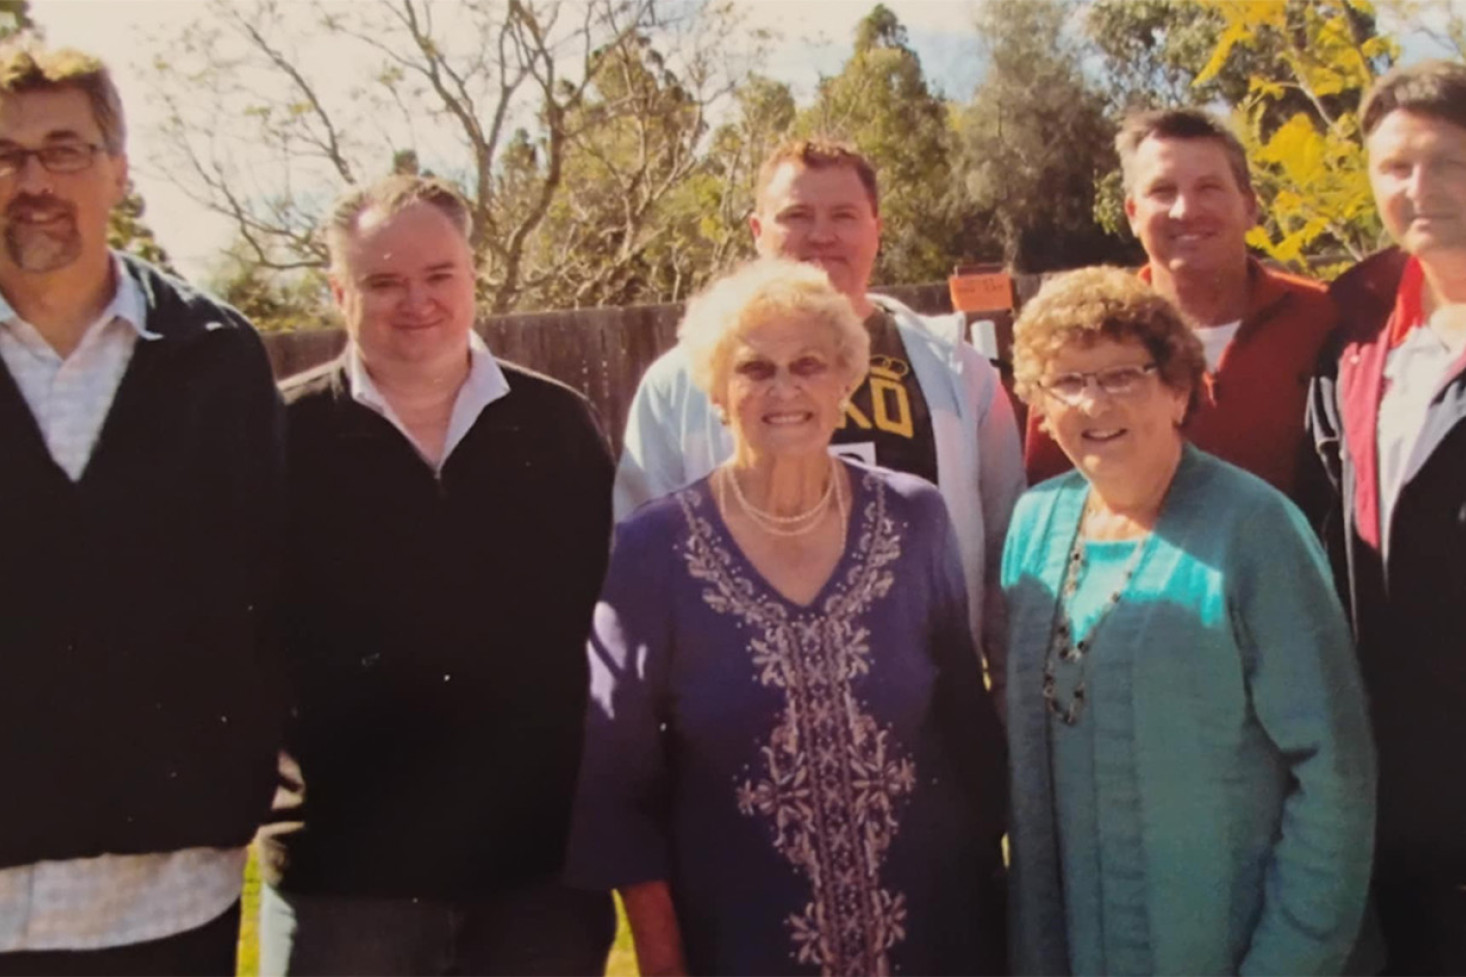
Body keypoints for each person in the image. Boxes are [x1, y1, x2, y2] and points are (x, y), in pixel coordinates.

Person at [568, 258, 1008, 976]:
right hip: (742, 941)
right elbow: (618, 781)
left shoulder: (915, 517)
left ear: (845, 381)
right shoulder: (656, 549)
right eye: (754, 369)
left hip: (933, 932)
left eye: (808, 364)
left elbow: (965, 735)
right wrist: (662, 955)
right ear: (716, 392)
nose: (784, 389)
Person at [257, 175, 615, 975]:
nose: (414, 300)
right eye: (383, 281)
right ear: (340, 291)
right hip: (345, 887)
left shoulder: (556, 427)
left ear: (472, 275)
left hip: (537, 882)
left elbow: (608, 630)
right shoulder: (277, 437)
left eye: (437, 275)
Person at [0, 38, 285, 976]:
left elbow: (268, 590)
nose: (32, 179)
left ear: (118, 171)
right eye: (5, 154)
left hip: (169, 888)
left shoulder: (214, 355)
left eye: (64, 148)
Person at [1005, 266, 1375, 975]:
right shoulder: (1033, 524)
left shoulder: (1255, 529)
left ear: (1177, 389)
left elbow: (1336, 772)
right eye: (1067, 381)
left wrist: (1289, 957)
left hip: (1231, 945)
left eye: (1121, 375)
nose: (1094, 401)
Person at [615, 138, 1024, 692]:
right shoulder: (680, 381)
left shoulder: (961, 372)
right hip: (745, 704)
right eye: (797, 215)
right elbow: (642, 567)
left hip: (919, 699)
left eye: (844, 216)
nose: (822, 234)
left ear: (877, 228)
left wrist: (1003, 701)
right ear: (758, 231)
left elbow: (1006, 549)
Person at [1308, 59, 1466, 974]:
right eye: (1395, 167)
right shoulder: (1360, 344)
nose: (1420, 189)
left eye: (1447, 161)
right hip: (1393, 782)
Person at [1024, 109, 1335, 511]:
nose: (1185, 210)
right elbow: (1053, 503)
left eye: (1208, 187)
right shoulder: (1077, 344)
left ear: (1250, 207)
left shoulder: (1325, 320)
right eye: (1163, 191)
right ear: (1133, 214)